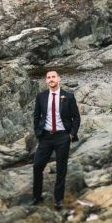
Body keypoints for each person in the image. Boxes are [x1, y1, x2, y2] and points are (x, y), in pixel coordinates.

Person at [31, 69, 81, 210]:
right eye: (48, 77)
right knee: (37, 166)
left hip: (62, 137)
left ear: (59, 79)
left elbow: (76, 117)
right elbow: (36, 116)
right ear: (46, 81)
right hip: (45, 137)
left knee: (61, 169)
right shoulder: (41, 96)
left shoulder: (68, 96)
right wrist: (37, 132)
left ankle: (58, 200)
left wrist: (71, 134)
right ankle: (37, 196)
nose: (51, 79)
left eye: (53, 77)